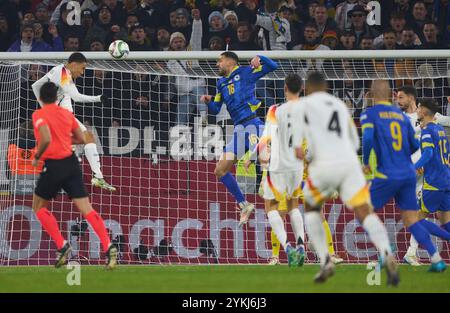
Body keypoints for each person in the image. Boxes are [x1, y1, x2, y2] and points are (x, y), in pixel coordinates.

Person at [297, 73, 397, 284]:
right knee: (364, 211)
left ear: (307, 89)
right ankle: (386, 252)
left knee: (312, 208)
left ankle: (326, 260)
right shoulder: (340, 105)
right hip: (349, 164)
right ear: (325, 88)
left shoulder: (303, 105)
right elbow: (354, 140)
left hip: (323, 165)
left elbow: (300, 147)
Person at [361, 80, 447, 273]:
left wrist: (366, 162)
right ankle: (436, 259)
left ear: (372, 95)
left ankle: (385, 248)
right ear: (391, 95)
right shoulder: (399, 116)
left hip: (388, 173)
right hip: (408, 172)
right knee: (412, 219)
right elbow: (416, 146)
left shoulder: (370, 114)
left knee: (362, 209)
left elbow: (367, 139)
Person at [31, 81, 117, 269]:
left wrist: (37, 156)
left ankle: (62, 245)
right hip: (72, 165)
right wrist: (64, 138)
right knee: (86, 209)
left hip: (53, 166)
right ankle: (108, 245)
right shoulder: (66, 114)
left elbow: (45, 138)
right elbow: (82, 138)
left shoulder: (39, 114)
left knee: (38, 206)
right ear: (56, 97)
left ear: (41, 98)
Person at [200, 51, 278, 227]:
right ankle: (244, 204)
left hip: (253, 124)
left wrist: (260, 58)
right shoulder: (220, 83)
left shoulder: (246, 72)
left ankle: (286, 188)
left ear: (230, 61)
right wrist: (208, 101)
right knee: (220, 170)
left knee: (267, 161)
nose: (217, 64)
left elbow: (274, 66)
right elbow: (215, 108)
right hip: (238, 131)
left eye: (220, 60)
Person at [31, 52, 116, 192]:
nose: (82, 73)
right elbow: (76, 97)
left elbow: (36, 86)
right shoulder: (63, 73)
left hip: (58, 112)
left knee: (87, 138)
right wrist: (99, 98)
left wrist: (43, 103)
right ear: (74, 64)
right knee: (85, 139)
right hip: (57, 115)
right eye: (82, 68)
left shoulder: (60, 71)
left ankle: (96, 175)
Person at [258, 74, 306, 267]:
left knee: (271, 207)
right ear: (302, 88)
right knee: (294, 205)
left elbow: (265, 138)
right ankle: (301, 244)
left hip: (277, 165)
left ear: (285, 88)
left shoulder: (275, 110)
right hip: (297, 166)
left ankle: (287, 247)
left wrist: (259, 156)